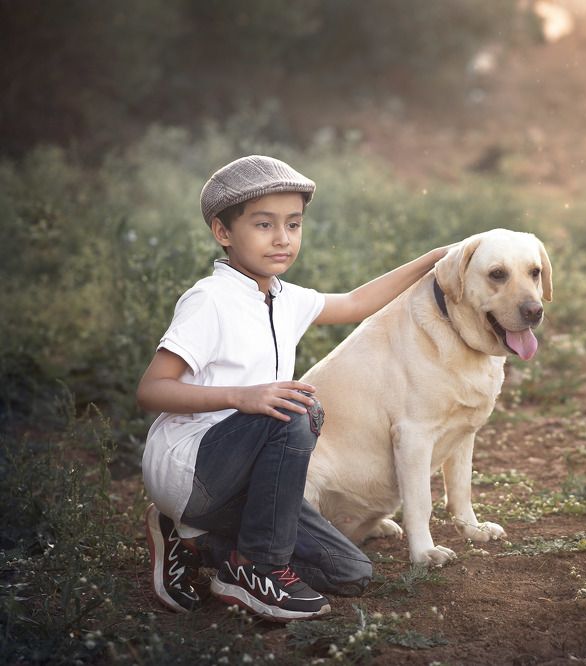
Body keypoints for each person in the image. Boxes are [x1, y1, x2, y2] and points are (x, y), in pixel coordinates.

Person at [136, 155, 449, 622]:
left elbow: (357, 302)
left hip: (253, 481)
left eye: (293, 224)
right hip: (195, 468)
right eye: (264, 224)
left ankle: (198, 541)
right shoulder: (210, 300)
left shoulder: (284, 297)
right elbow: (152, 390)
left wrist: (438, 257)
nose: (282, 238)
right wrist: (241, 396)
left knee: (351, 572)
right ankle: (256, 566)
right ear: (224, 232)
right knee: (296, 408)